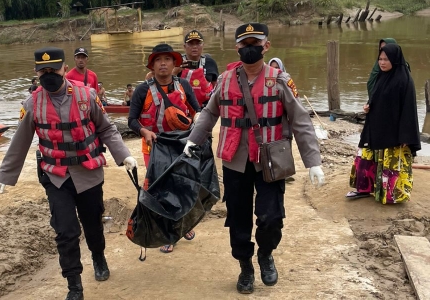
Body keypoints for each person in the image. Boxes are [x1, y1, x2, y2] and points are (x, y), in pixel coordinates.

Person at [184, 23, 325, 294]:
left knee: (271, 217)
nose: (250, 48)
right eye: (244, 44)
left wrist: (313, 161)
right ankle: (245, 265)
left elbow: (301, 121)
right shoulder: (224, 80)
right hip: (235, 159)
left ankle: (266, 254)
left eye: (255, 43)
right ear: (236, 47)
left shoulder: (279, 79)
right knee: (237, 218)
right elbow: (209, 115)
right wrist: (193, 140)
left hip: (270, 159)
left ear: (266, 46)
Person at [0, 47, 138, 300]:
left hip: (89, 172)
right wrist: (5, 175)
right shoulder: (32, 103)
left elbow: (107, 129)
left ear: (64, 68)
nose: (49, 74)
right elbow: (20, 141)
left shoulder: (87, 95)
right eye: (43, 71)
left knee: (93, 225)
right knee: (65, 231)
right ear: (36, 72)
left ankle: (98, 256)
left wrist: (123, 154)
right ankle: (74, 285)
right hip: (56, 176)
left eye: (54, 69)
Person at [128, 43, 201, 254]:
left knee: (183, 185)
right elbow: (132, 120)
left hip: (180, 144)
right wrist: (144, 132)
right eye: (158, 60)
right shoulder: (143, 90)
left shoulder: (184, 86)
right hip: (155, 146)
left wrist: (197, 129)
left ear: (174, 63)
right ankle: (168, 234)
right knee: (160, 191)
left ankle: (183, 224)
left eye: (167, 59)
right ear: (152, 65)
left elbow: (197, 112)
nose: (163, 63)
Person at [347, 43, 420, 204]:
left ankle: (390, 195)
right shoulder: (381, 76)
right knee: (366, 156)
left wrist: (405, 135)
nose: (382, 62)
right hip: (375, 127)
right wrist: (368, 107)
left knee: (390, 162)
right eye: (380, 59)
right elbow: (377, 99)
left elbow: (409, 110)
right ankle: (365, 189)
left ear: (394, 59)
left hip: (393, 132)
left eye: (386, 59)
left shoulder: (404, 80)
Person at [178, 30, 219, 108]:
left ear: (203, 45)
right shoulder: (177, 62)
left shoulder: (210, 62)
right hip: (182, 107)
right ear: (184, 46)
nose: (194, 47)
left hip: (206, 108)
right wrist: (175, 71)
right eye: (190, 44)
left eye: (198, 43)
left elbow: (216, 87)